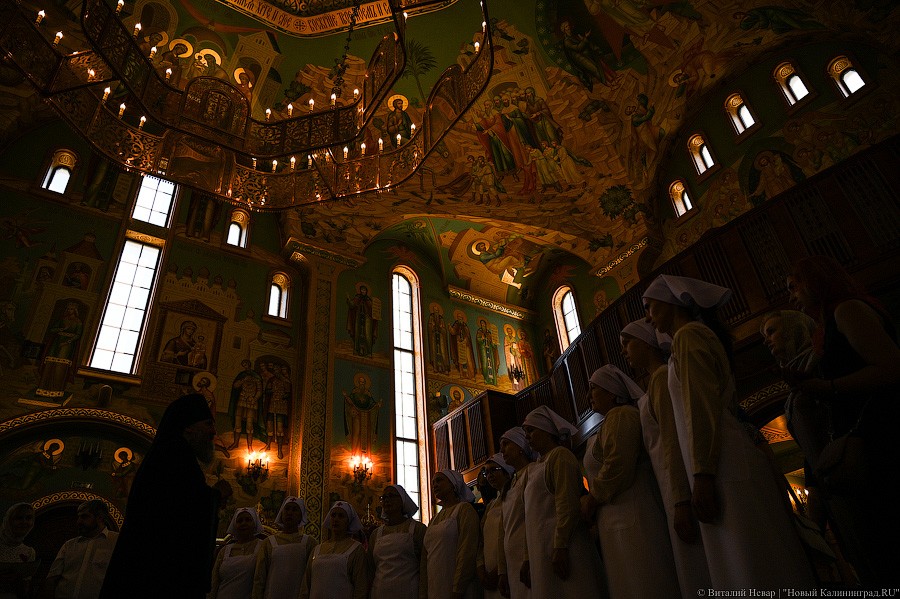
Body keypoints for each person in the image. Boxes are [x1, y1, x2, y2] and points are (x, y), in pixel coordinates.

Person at [642, 274, 815, 590]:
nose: (648, 316)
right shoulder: (692, 336)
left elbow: (701, 409)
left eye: (650, 306)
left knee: (751, 564)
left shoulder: (689, 336)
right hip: (720, 464)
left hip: (723, 466)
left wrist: (703, 475)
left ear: (672, 303)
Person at [786, 256, 900, 585]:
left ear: (814, 281)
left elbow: (891, 367)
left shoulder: (847, 310)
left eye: (795, 287)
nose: (792, 296)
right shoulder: (833, 320)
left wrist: (828, 387)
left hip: (880, 434)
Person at [99, 393, 233, 598]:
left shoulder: (171, 455)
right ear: (188, 427)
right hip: (156, 574)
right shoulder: (174, 456)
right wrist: (216, 495)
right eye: (208, 424)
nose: (213, 432)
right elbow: (179, 515)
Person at [619, 319, 710, 597]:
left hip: (675, 484)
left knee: (694, 564)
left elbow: (670, 438)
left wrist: (680, 498)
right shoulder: (654, 382)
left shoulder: (659, 378)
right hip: (667, 482)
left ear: (646, 343)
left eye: (628, 344)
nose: (625, 352)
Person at [580, 364, 680, 598]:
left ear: (612, 393)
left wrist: (592, 499)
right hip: (618, 516)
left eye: (594, 389)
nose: (588, 395)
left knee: (642, 578)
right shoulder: (611, 420)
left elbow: (618, 465)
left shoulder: (621, 415)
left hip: (633, 511)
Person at [521, 406, 606, 598]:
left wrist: (560, 545)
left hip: (566, 546)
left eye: (531, 430)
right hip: (541, 548)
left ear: (547, 431)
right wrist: (528, 557)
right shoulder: (534, 468)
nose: (527, 437)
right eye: (526, 432)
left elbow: (566, 504)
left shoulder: (560, 456)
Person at [421, 469, 480, 599]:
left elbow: (467, 551)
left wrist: (458, 588)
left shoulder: (464, 510)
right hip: (435, 585)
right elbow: (426, 557)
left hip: (456, 587)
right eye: (433, 482)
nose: (435, 485)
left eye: (439, 480)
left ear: (453, 484)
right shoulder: (434, 519)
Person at [46, 500, 119, 599]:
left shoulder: (115, 541)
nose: (78, 521)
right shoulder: (69, 545)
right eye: (79, 516)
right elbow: (52, 579)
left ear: (100, 518)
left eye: (84, 516)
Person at [496, 427, 534, 599]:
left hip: (529, 552)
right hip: (512, 559)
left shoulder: (532, 472)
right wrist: (502, 571)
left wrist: (528, 556)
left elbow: (532, 517)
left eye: (506, 444)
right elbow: (502, 531)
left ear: (520, 446)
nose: (502, 450)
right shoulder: (509, 484)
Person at [368, 484, 425, 599]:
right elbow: (370, 568)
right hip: (380, 592)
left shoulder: (417, 529)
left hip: (408, 592)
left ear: (402, 501)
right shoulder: (376, 534)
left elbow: (424, 566)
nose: (387, 500)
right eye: (383, 498)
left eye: (391, 496)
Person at [301, 501, 367, 599]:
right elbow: (306, 585)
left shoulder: (356, 550)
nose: (336, 519)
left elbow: (361, 587)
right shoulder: (317, 549)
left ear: (348, 521)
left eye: (341, 516)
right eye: (333, 515)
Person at [253, 497, 315, 599]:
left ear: (301, 516)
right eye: (287, 509)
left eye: (294, 510)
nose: (290, 512)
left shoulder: (309, 543)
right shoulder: (268, 543)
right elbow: (259, 578)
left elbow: (311, 577)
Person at [477, 454, 513, 599]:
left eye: (493, 470)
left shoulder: (513, 496)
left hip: (508, 570)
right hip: (488, 575)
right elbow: (481, 541)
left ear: (505, 471)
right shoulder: (491, 505)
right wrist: (481, 569)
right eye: (486, 472)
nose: (489, 475)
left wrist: (500, 570)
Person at [210, 507, 264, 599]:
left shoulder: (263, 547)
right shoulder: (224, 550)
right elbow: (215, 581)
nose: (244, 523)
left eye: (247, 520)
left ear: (254, 523)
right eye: (240, 521)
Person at [0, 503, 36, 599]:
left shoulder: (29, 552)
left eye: (28, 518)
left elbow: (25, 590)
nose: (24, 522)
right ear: (9, 521)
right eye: (19, 518)